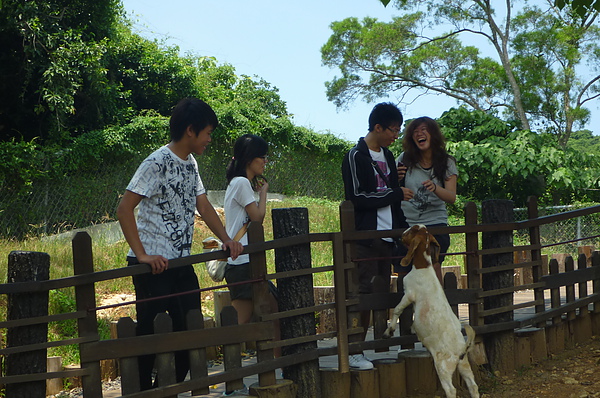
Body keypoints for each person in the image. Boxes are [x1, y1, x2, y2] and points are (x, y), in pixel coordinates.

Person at [116, 97, 243, 390]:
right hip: (153, 267)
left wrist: (226, 239)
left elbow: (203, 204)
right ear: (190, 130)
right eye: (208, 132)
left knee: (191, 332)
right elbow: (124, 209)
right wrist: (142, 255)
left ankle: (165, 392)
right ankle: (144, 394)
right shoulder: (156, 161)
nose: (210, 139)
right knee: (151, 337)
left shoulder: (191, 163)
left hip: (181, 264)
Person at [341, 102, 413, 370]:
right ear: (377, 127)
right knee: (362, 292)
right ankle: (354, 351)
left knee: (380, 293)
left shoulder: (390, 156)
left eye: (398, 130)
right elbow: (357, 197)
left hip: (388, 236)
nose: (396, 135)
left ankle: (369, 348)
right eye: (393, 129)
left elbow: (394, 199)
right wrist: (396, 192)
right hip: (365, 237)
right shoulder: (355, 156)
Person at [396, 116, 458, 285]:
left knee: (432, 260)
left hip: (435, 223)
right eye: (415, 132)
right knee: (407, 268)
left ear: (433, 134)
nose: (419, 134)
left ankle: (437, 304)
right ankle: (412, 308)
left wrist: (435, 188)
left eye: (423, 130)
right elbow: (390, 188)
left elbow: (452, 197)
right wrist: (395, 180)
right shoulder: (404, 159)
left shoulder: (447, 161)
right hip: (408, 224)